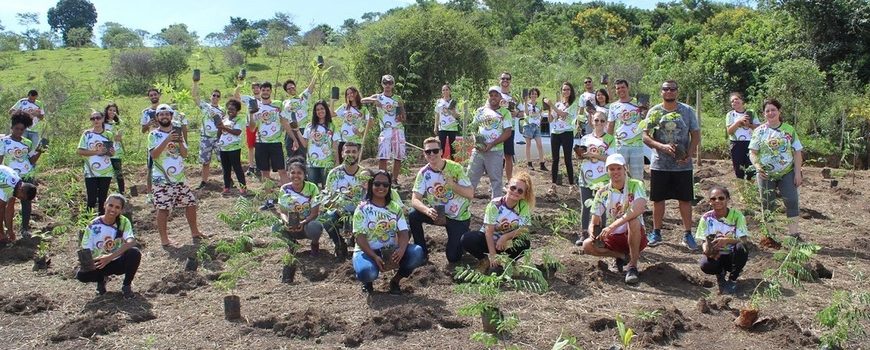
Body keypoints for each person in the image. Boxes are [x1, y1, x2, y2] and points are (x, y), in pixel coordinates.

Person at [643, 80, 701, 250]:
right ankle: (656, 232)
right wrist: (661, 147)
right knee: (658, 199)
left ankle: (688, 233)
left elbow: (696, 135)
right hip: (660, 163)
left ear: (677, 91)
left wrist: (689, 155)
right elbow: (645, 136)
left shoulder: (687, 111)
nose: (669, 92)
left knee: (685, 199)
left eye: (672, 89)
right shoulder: (654, 112)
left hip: (682, 165)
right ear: (661, 92)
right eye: (665, 89)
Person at [352, 170, 425, 294]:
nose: (381, 187)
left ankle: (395, 281)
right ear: (371, 185)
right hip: (367, 252)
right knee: (367, 272)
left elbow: (403, 232)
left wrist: (401, 250)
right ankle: (368, 282)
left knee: (417, 252)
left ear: (389, 187)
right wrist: (374, 256)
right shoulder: (362, 209)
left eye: (385, 185)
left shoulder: (395, 208)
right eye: (377, 184)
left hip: (390, 250)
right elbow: (360, 237)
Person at [580, 154, 649, 285]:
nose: (615, 172)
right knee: (587, 245)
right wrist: (592, 231)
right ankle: (621, 256)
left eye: (618, 168)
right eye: (612, 169)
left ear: (625, 169)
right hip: (615, 236)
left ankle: (632, 266)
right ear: (607, 171)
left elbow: (638, 209)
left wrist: (611, 226)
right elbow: (595, 220)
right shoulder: (603, 192)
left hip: (635, 233)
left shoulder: (636, 185)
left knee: (633, 221)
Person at [409, 137, 474, 263]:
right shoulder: (423, 173)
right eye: (428, 152)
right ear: (424, 153)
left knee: (453, 257)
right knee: (413, 215)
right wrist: (427, 210)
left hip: (458, 216)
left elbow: (470, 194)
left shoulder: (456, 168)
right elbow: (415, 199)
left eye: (435, 151)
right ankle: (422, 254)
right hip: (439, 214)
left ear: (441, 151)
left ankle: (463, 237)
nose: (432, 154)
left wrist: (452, 185)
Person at [148, 104, 205, 247]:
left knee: (191, 203)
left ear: (171, 116)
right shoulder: (153, 135)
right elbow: (154, 155)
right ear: (157, 118)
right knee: (163, 209)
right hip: (162, 179)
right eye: (161, 114)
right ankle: (164, 240)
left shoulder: (178, 133)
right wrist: (167, 139)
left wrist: (179, 141)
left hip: (179, 178)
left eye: (167, 114)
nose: (164, 116)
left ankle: (195, 232)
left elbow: (185, 154)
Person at [749, 98, 803, 239]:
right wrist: (758, 166)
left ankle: (794, 235)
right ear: (763, 114)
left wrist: (798, 173)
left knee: (791, 201)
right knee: (768, 203)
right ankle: (770, 236)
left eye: (773, 110)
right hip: (765, 173)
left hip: (787, 172)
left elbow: (797, 152)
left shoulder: (789, 130)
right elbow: (753, 152)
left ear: (779, 111)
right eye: (767, 111)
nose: (771, 113)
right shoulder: (759, 131)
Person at [460, 172, 534, 273]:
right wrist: (492, 255)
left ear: (524, 195)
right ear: (507, 187)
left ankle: (510, 262)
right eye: (513, 188)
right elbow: (488, 232)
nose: (515, 191)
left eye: (520, 191)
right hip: (489, 241)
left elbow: (524, 228)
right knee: (467, 238)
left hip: (507, 243)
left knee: (524, 242)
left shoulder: (523, 206)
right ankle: (484, 260)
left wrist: (505, 237)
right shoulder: (495, 204)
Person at [76, 194, 140, 298]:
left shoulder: (123, 222)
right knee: (82, 275)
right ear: (104, 205)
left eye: (117, 207)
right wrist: (90, 262)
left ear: (121, 210)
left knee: (134, 252)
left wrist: (109, 257)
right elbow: (85, 249)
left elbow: (131, 242)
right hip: (100, 263)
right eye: (111, 205)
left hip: (118, 260)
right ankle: (101, 280)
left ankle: (126, 286)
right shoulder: (93, 225)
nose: (113, 209)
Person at [696, 186, 750, 295]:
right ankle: (720, 273)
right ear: (709, 202)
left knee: (742, 248)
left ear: (727, 199)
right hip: (717, 254)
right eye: (713, 199)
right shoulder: (706, 218)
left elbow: (743, 240)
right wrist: (707, 249)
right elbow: (704, 240)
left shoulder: (737, 216)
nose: (717, 201)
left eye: (721, 198)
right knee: (705, 264)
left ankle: (733, 279)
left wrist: (727, 241)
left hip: (732, 255)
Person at [249, 82, 293, 210]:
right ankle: (269, 200)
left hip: (275, 143)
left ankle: (288, 198)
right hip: (261, 143)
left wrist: (293, 137)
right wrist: (251, 114)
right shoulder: (255, 107)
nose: (265, 92)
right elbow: (252, 129)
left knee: (282, 171)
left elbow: (284, 122)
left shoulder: (278, 104)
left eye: (268, 90)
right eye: (263, 90)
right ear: (260, 91)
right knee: (264, 172)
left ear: (271, 91)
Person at [573, 111, 616, 245]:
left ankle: (600, 235)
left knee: (601, 206)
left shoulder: (610, 139)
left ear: (606, 123)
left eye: (602, 121)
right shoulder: (585, 138)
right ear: (592, 121)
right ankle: (584, 233)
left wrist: (595, 155)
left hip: (602, 177)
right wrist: (579, 154)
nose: (599, 123)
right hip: (586, 177)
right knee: (585, 206)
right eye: (596, 120)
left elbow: (611, 158)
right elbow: (579, 156)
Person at [1, 113, 43, 239]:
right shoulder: (4, 141)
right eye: (16, 129)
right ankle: (8, 229)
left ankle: (24, 229)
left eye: (22, 129)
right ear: (12, 128)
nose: (19, 131)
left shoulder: (27, 143)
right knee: (9, 203)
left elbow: (31, 160)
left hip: (26, 175)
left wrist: (40, 151)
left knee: (26, 202)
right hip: (10, 178)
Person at [467, 86, 512, 199]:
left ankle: (495, 211)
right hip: (478, 151)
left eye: (496, 95)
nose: (493, 97)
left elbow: (507, 132)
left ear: (500, 97)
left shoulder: (505, 113)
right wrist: (476, 141)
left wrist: (492, 144)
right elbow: (473, 128)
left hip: (495, 152)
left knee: (496, 181)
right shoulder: (480, 111)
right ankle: (463, 209)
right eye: (491, 95)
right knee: (469, 180)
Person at [323, 143, 367, 259]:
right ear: (342, 154)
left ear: (358, 154)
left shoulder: (365, 174)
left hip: (361, 212)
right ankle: (339, 243)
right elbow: (327, 198)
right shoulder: (334, 173)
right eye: (347, 152)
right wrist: (339, 209)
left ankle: (359, 241)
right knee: (327, 218)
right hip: (340, 210)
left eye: (354, 151)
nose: (350, 154)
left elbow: (370, 197)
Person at [362, 75, 406, 187]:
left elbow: (404, 116)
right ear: (382, 84)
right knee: (383, 156)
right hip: (385, 130)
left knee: (398, 155)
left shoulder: (398, 98)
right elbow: (362, 100)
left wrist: (401, 117)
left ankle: (394, 180)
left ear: (393, 85)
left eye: (390, 83)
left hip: (398, 129)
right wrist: (374, 100)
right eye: (385, 83)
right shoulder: (378, 97)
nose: (388, 85)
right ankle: (383, 179)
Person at [275, 159, 324, 254]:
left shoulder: (312, 187)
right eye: (293, 172)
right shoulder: (285, 189)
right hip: (291, 225)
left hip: (307, 225)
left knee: (316, 226)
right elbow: (283, 212)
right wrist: (287, 222)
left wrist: (303, 222)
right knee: (276, 227)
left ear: (304, 174)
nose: (296, 176)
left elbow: (315, 213)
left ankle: (314, 244)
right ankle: (292, 244)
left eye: (299, 173)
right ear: (288, 174)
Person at [293, 100, 339, 187]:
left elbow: (335, 145)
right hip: (312, 163)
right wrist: (297, 131)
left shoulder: (332, 126)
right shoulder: (310, 126)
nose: (320, 111)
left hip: (327, 162)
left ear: (326, 110)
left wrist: (337, 162)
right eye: (317, 109)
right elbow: (305, 144)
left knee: (327, 187)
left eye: (322, 108)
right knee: (313, 187)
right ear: (315, 112)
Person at [77, 111, 115, 215]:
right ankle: (87, 223)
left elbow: (112, 152)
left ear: (103, 119)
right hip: (90, 171)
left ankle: (102, 221)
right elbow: (80, 151)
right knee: (91, 198)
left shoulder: (109, 134)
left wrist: (111, 152)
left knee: (103, 198)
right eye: (93, 119)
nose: (95, 120)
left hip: (106, 170)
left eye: (98, 118)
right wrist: (96, 152)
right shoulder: (87, 134)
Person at [607, 80, 646, 180]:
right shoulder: (613, 106)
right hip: (620, 145)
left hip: (637, 145)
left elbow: (646, 120)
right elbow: (611, 125)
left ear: (628, 88)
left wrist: (645, 110)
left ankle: (638, 195)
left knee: (637, 176)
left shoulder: (638, 102)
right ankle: (622, 195)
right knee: (619, 175)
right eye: (618, 88)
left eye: (623, 87)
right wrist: (607, 143)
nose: (620, 90)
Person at [547, 82, 580, 196]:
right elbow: (551, 120)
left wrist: (552, 105)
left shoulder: (573, 104)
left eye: (568, 90)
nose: (565, 92)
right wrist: (548, 109)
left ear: (571, 92)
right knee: (555, 159)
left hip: (567, 132)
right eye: (564, 90)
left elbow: (563, 114)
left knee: (567, 159)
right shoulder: (558, 104)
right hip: (555, 133)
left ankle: (572, 185)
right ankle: (553, 184)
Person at [192, 79, 224, 190]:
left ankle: (228, 180)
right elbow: (195, 97)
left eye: (217, 96)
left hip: (218, 138)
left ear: (220, 98)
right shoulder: (205, 106)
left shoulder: (222, 110)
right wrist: (195, 83)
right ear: (211, 96)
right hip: (205, 138)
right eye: (214, 95)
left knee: (224, 161)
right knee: (205, 162)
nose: (215, 97)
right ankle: (204, 182)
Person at [333, 87, 373, 164]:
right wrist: (332, 101)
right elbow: (332, 114)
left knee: (351, 164)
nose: (349, 95)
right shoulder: (345, 107)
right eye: (347, 94)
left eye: (351, 93)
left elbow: (371, 122)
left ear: (356, 93)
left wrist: (361, 133)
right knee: (342, 164)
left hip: (356, 140)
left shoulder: (363, 109)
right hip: (343, 140)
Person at [726, 92, 760, 179]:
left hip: (751, 143)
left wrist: (748, 125)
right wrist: (738, 122)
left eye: (736, 99)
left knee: (751, 170)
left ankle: (750, 190)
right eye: (732, 101)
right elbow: (729, 131)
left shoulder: (751, 112)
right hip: (736, 144)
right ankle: (741, 191)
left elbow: (758, 128)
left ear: (742, 101)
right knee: (738, 170)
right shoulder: (730, 115)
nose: (734, 101)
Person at [0, 165, 38, 243]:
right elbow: (1, 209)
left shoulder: (17, 185)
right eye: (22, 197)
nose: (20, 199)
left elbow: (9, 210)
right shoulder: (10, 186)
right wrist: (1, 232)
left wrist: (10, 231)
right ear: (21, 190)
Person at [216, 99, 247, 195]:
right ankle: (226, 187)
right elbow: (220, 132)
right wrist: (219, 131)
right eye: (229, 109)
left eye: (233, 109)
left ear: (237, 110)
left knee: (237, 167)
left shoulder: (239, 120)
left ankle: (243, 187)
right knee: (225, 168)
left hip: (234, 148)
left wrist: (224, 127)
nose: (230, 111)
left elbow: (237, 132)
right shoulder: (224, 119)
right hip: (223, 148)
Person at [282, 76, 317, 160]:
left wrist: (317, 71)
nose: (291, 89)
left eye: (292, 87)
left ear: (295, 87)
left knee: (302, 154)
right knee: (291, 155)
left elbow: (311, 87)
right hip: (290, 131)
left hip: (302, 130)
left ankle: (304, 172)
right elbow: (284, 119)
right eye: (288, 89)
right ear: (286, 91)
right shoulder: (285, 103)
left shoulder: (303, 97)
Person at [234, 81, 261, 176]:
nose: (256, 89)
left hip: (261, 126)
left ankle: (259, 166)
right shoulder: (249, 99)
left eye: (257, 87)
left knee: (260, 146)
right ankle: (251, 166)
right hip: (250, 125)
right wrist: (239, 85)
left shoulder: (264, 100)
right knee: (250, 146)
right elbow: (236, 96)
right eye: (254, 88)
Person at [140, 88, 162, 197]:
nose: (153, 96)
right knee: (150, 168)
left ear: (159, 95)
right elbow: (143, 130)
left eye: (155, 94)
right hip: (153, 142)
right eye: (151, 95)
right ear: (149, 97)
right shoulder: (146, 112)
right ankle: (149, 194)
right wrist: (148, 124)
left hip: (165, 141)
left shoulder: (165, 110)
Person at [519, 88, 547, 171]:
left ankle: (542, 163)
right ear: (529, 95)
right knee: (528, 144)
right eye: (532, 94)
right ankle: (529, 163)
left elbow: (541, 115)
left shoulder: (539, 105)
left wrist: (538, 121)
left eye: (535, 94)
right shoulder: (526, 104)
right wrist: (525, 102)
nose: (534, 95)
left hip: (536, 126)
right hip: (528, 125)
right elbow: (526, 113)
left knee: (539, 145)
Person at [498, 72, 518, 179]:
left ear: (510, 81)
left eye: (507, 79)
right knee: (496, 156)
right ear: (499, 80)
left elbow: (522, 113)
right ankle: (496, 181)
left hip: (510, 129)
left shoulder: (514, 97)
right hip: (496, 129)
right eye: (503, 78)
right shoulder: (495, 95)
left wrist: (516, 113)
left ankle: (510, 181)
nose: (505, 80)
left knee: (508, 156)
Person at [103, 103, 126, 195]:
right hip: (105, 152)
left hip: (116, 151)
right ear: (106, 111)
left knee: (118, 173)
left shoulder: (118, 124)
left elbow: (118, 138)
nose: (112, 112)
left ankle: (122, 193)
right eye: (110, 110)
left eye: (114, 110)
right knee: (106, 174)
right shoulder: (102, 123)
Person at [434, 84, 460, 160]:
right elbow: (437, 114)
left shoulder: (454, 102)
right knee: (441, 146)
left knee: (453, 147)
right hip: (442, 127)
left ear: (450, 91)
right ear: (442, 92)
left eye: (446, 89)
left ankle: (453, 165)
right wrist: (435, 126)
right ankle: (439, 163)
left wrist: (451, 111)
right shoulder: (439, 102)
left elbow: (457, 116)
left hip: (452, 127)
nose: (445, 91)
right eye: (443, 90)